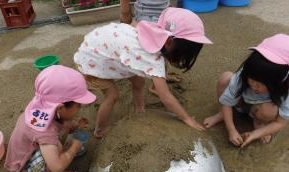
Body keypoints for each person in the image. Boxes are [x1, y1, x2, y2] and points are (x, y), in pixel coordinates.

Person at [74, 7, 212, 138]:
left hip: (101, 43)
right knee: (112, 96)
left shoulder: (153, 30)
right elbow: (166, 97)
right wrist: (186, 118)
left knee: (138, 80)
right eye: (183, 54)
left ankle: (139, 109)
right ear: (169, 42)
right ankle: (99, 130)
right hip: (92, 60)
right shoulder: (153, 61)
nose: (183, 58)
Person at [5, 65, 96, 172]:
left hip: (34, 148)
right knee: (55, 148)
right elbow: (57, 166)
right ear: (60, 107)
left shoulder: (43, 102)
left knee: (62, 130)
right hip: (25, 167)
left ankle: (60, 155)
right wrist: (74, 147)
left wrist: (73, 126)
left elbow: (60, 123)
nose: (80, 108)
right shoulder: (45, 131)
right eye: (78, 105)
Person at [203, 34, 289, 148]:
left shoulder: (285, 86)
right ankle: (221, 114)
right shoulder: (246, 73)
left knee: (270, 110)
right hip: (241, 101)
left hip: (261, 107)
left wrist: (255, 134)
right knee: (225, 78)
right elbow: (226, 102)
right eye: (251, 79)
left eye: (260, 84)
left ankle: (259, 123)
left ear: (278, 80)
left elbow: (281, 122)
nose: (253, 85)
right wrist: (231, 130)